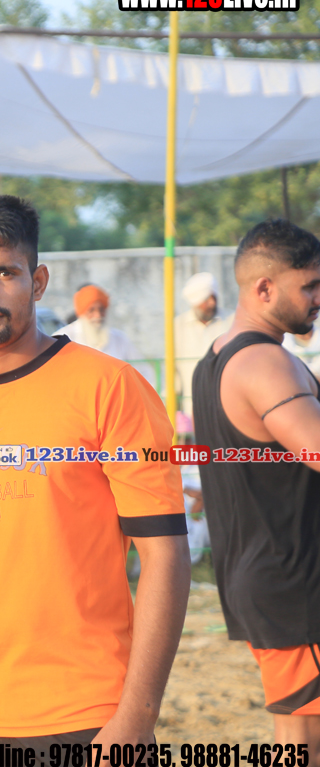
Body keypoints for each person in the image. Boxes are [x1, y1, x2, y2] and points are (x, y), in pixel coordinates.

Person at [0, 195, 190, 750]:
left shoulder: (110, 387)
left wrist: (136, 717)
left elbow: (164, 554)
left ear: (37, 282)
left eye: (4, 273)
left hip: (92, 713)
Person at [192, 219, 320, 749]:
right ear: (264, 288)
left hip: (267, 573)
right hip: (294, 579)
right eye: (309, 286)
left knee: (298, 732)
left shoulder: (215, 359)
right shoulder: (265, 362)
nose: (318, 298)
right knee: (306, 738)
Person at [55, 284, 155, 383]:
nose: (98, 315)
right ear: (82, 312)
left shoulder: (119, 338)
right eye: (91, 310)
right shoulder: (64, 337)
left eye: (101, 309)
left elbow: (145, 372)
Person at [174, 272, 233, 416]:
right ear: (195, 301)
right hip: (192, 404)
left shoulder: (232, 320)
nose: (212, 303)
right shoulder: (178, 326)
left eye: (214, 298)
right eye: (206, 299)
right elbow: (174, 370)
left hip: (226, 402)